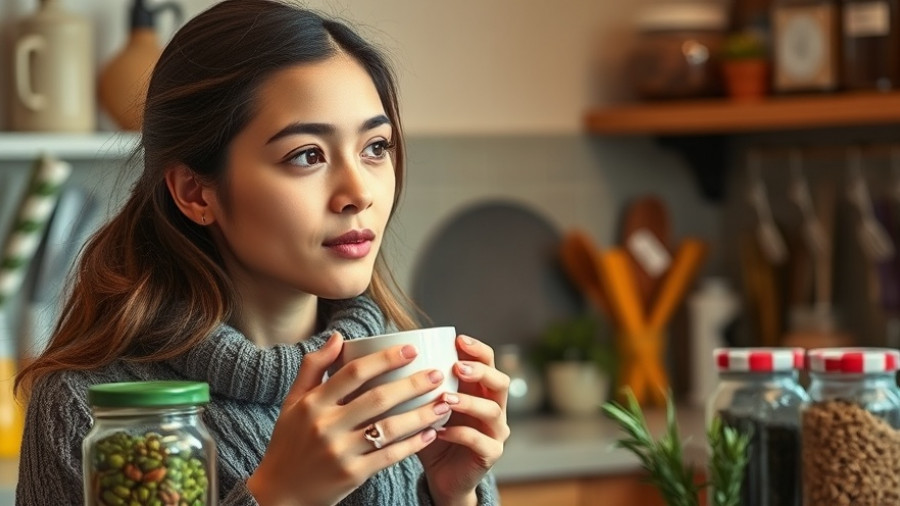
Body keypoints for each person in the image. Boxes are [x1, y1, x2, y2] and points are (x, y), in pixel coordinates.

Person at [14, 1, 509, 504]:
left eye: (375, 147)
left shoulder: (407, 377)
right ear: (196, 192)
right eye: (306, 155)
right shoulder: (89, 411)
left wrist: (453, 496)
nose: (359, 191)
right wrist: (281, 496)